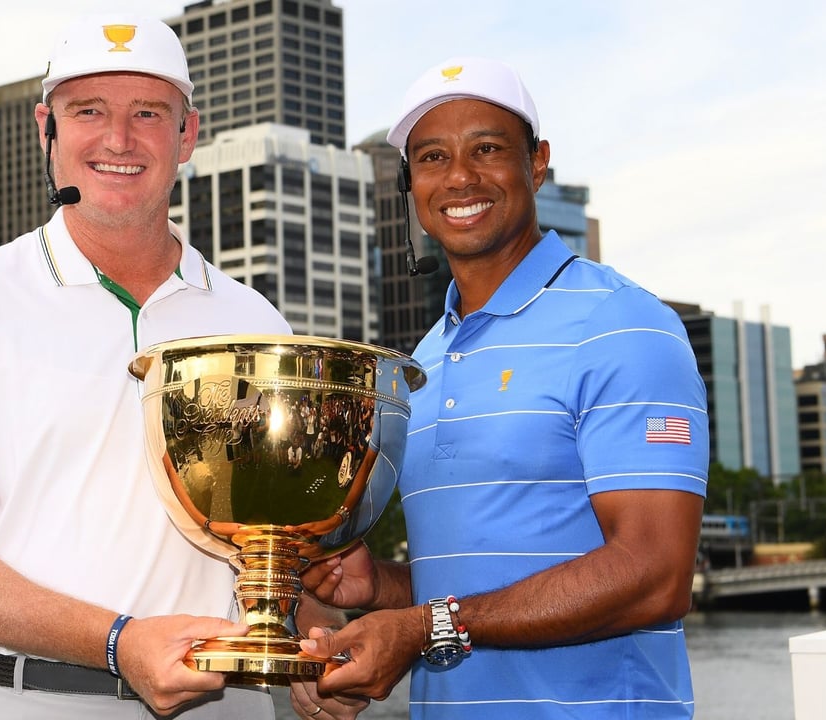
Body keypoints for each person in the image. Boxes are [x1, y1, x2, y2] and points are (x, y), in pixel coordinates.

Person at [0, 14, 295, 719]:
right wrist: (119, 642)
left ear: (187, 134)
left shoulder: (258, 321)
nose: (118, 139)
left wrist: (313, 642)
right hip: (15, 699)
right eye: (87, 111)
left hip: (226, 703)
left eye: (147, 113)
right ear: (46, 131)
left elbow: (275, 544)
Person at [291, 57, 709, 719]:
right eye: (432, 157)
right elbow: (473, 592)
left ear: (537, 162)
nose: (460, 177)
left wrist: (423, 627)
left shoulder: (622, 324)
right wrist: (384, 590)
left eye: (486, 149)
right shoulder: (423, 363)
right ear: (412, 184)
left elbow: (656, 576)